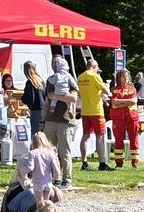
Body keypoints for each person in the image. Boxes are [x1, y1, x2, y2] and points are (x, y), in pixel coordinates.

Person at [41, 56, 77, 185]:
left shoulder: (69, 78)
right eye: (53, 63)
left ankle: (67, 179)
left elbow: (73, 98)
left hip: (66, 121)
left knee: (64, 152)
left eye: (56, 63)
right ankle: (51, 178)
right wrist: (43, 120)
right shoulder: (51, 80)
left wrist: (56, 96)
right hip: (50, 120)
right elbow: (48, 99)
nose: (54, 65)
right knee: (48, 151)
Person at [76, 55, 111, 171]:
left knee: (85, 136)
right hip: (96, 110)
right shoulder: (95, 76)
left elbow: (81, 93)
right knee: (100, 136)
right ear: (94, 66)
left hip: (85, 110)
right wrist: (105, 86)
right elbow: (106, 91)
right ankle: (102, 163)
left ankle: (84, 162)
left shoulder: (80, 77)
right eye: (97, 68)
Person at [109, 67, 140, 168]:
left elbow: (133, 101)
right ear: (119, 77)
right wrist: (127, 102)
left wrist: (120, 102)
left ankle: (135, 161)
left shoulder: (132, 89)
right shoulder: (114, 90)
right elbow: (114, 103)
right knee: (118, 139)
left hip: (132, 117)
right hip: (118, 117)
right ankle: (119, 162)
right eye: (123, 76)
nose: (126, 78)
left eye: (127, 76)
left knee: (134, 138)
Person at [21, 60, 47, 143]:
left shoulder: (30, 82)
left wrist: (22, 98)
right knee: (44, 136)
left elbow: (29, 99)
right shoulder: (41, 81)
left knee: (35, 135)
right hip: (44, 110)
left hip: (35, 111)